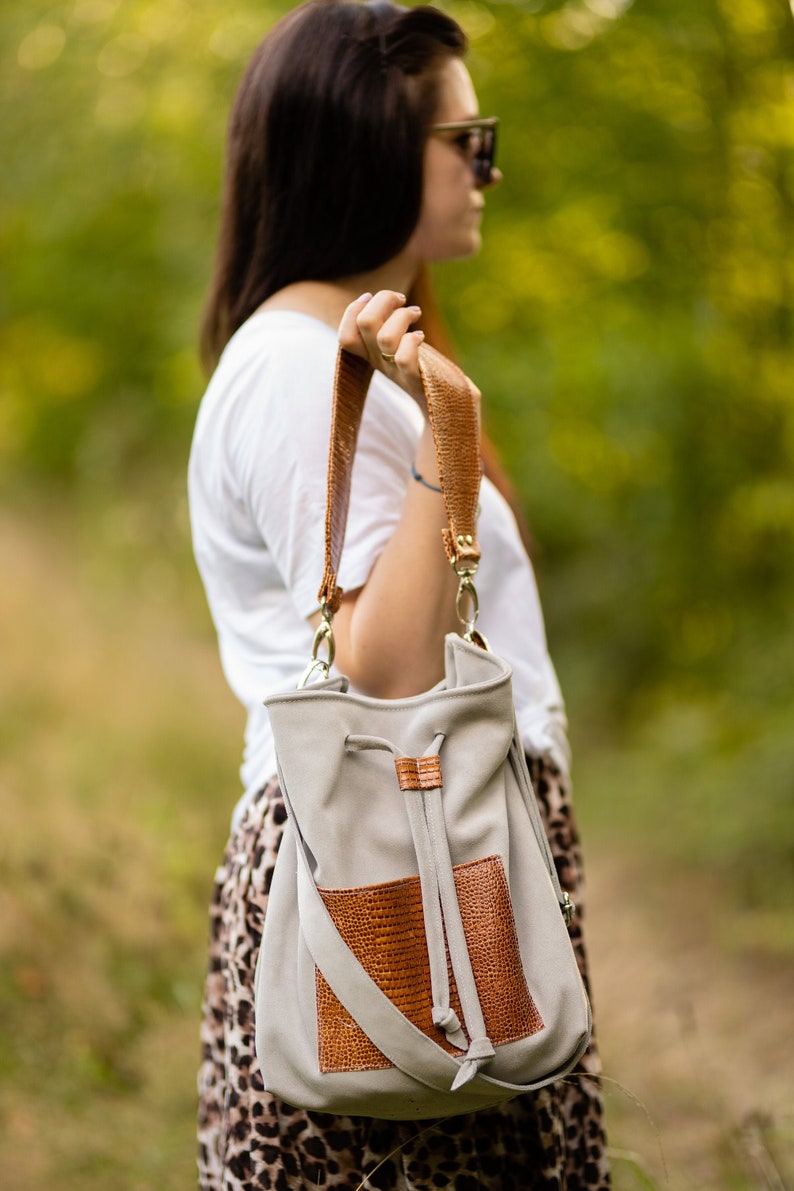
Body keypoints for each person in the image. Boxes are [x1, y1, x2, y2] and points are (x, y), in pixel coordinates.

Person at [188, 1, 609, 1187]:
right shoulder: (298, 368)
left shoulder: (342, 353)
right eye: (467, 143)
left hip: (429, 851)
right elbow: (383, 672)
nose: (487, 171)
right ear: (369, 152)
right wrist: (447, 431)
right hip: (388, 870)